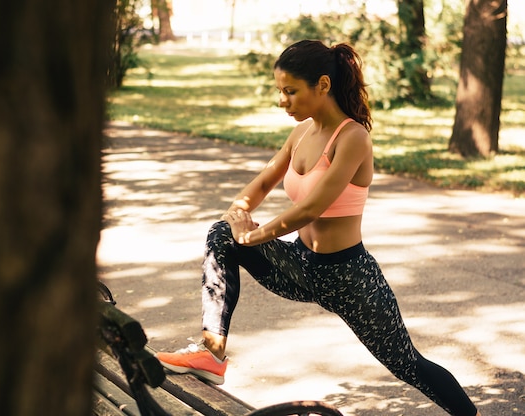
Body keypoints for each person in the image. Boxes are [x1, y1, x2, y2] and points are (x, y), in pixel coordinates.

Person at [156, 40, 480, 416]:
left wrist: (255, 234)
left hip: (349, 278)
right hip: (299, 265)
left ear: (323, 85)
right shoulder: (300, 135)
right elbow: (262, 183)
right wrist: (236, 214)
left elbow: (312, 207)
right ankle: (211, 352)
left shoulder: (353, 138)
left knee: (408, 364)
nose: (283, 101)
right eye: (281, 92)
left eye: (290, 91)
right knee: (220, 233)